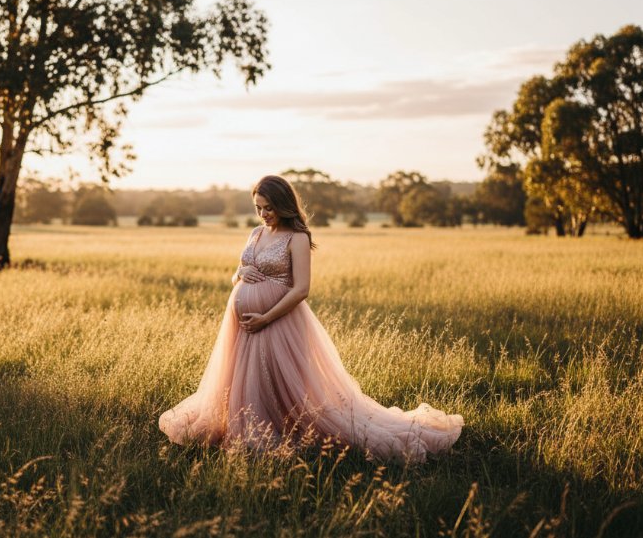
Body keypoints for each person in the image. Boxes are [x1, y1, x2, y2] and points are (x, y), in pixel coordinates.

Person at [159, 175, 463, 462]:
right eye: (258, 208)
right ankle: (247, 428)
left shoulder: (297, 238)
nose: (263, 214)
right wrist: (239, 273)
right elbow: (237, 274)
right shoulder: (255, 233)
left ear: (283, 205)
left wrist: (265, 317)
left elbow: (301, 289)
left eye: (269, 208)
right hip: (242, 326)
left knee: (277, 383)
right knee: (244, 382)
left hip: (278, 322)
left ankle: (279, 431)